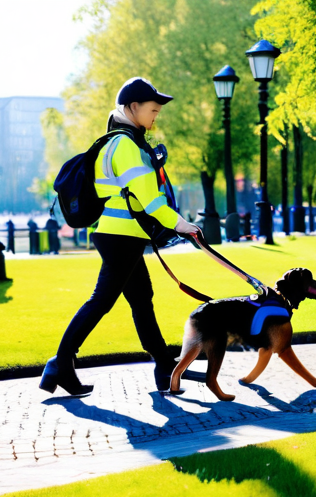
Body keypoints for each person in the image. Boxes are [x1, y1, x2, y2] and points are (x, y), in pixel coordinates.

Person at [40, 77, 200, 396]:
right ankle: (59, 364)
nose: (156, 115)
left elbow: (137, 197)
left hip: (119, 235)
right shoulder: (126, 145)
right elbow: (151, 200)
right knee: (102, 301)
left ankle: (163, 366)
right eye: (152, 110)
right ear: (133, 108)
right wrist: (182, 225)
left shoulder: (115, 141)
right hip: (121, 236)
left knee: (141, 300)